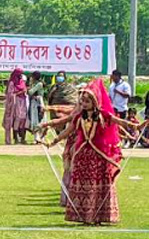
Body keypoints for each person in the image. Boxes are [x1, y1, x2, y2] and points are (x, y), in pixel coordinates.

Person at [44, 79, 133, 225]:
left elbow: (119, 123)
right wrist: (52, 142)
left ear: (94, 102)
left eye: (87, 101)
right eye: (82, 101)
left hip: (99, 157)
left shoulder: (103, 116)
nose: (84, 104)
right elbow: (67, 131)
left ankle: (99, 216)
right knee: (82, 185)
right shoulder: (79, 117)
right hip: (82, 156)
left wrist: (134, 128)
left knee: (98, 185)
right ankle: (83, 216)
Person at [3, 68, 28, 144]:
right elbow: (10, 94)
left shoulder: (21, 81)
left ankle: (21, 137)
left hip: (22, 102)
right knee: (12, 120)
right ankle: (11, 139)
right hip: (14, 103)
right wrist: (19, 93)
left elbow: (25, 89)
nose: (20, 75)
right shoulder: (12, 83)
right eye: (19, 74)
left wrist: (24, 91)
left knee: (22, 119)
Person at [27, 71, 45, 143]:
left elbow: (30, 92)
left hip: (38, 103)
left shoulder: (39, 84)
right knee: (34, 120)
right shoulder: (34, 84)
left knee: (39, 119)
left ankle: (41, 137)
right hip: (33, 103)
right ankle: (36, 138)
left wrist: (28, 88)